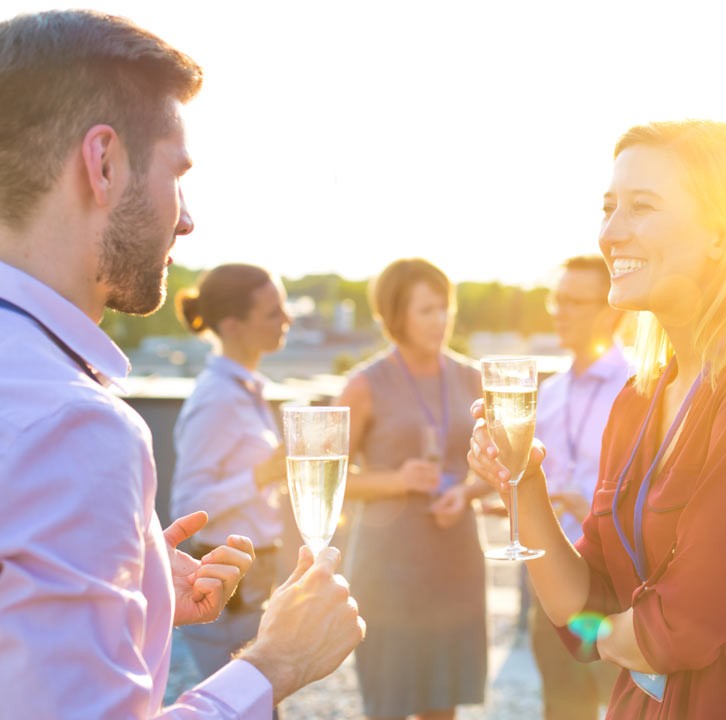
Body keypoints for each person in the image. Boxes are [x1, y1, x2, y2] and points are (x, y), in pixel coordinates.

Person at [0, 10, 363, 718]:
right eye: (177, 174)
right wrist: (273, 664)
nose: (187, 218)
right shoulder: (74, 425)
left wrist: (134, 595)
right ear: (102, 164)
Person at [469, 120, 726, 718]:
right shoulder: (638, 399)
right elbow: (581, 606)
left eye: (641, 208)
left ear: (722, 233)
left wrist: (618, 635)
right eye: (608, 207)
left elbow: (683, 627)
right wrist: (524, 482)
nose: (610, 233)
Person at [336, 257, 491, 720]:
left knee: (444, 704)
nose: (440, 319)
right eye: (426, 310)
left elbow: (500, 468)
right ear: (394, 314)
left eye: (444, 307)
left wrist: (465, 493)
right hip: (390, 571)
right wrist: (397, 481)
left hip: (456, 559)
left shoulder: (472, 378)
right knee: (388, 701)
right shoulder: (364, 385)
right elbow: (327, 484)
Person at [171, 264, 293, 692]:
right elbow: (186, 505)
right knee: (248, 706)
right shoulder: (217, 399)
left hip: (254, 578)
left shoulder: (244, 389)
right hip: (230, 588)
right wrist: (264, 473)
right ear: (232, 325)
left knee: (260, 705)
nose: (287, 320)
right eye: (273, 312)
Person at [532, 254, 631, 719]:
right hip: (553, 579)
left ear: (610, 310)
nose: (559, 310)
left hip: (618, 585)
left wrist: (591, 504)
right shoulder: (549, 392)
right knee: (562, 709)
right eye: (558, 298)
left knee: (626, 706)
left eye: (574, 301)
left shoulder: (642, 387)